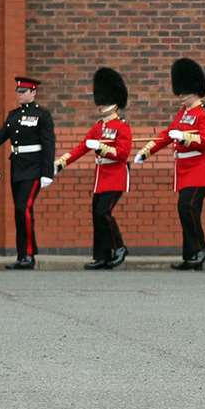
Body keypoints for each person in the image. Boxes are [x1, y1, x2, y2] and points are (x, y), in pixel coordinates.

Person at [135, 58, 205, 270]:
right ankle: (191, 256)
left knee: (187, 207)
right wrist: (147, 151)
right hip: (185, 170)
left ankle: (201, 249)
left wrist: (184, 137)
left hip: (200, 168)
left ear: (195, 91)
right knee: (190, 210)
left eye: (184, 92)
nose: (180, 96)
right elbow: (166, 135)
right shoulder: (183, 113)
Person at [57, 68, 133, 269]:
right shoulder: (98, 126)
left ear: (115, 103)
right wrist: (62, 162)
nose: (101, 105)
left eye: (105, 101)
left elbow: (122, 154)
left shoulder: (122, 127)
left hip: (116, 175)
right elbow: (82, 147)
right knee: (96, 215)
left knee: (104, 213)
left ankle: (119, 247)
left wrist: (101, 147)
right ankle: (102, 256)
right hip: (101, 177)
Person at [0, 77, 56, 269]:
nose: (19, 94)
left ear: (33, 92)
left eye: (24, 91)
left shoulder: (42, 115)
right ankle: (22, 255)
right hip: (17, 167)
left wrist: (47, 172)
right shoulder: (13, 116)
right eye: (18, 91)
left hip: (34, 168)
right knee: (19, 212)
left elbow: (48, 143)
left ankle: (29, 255)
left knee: (23, 208)